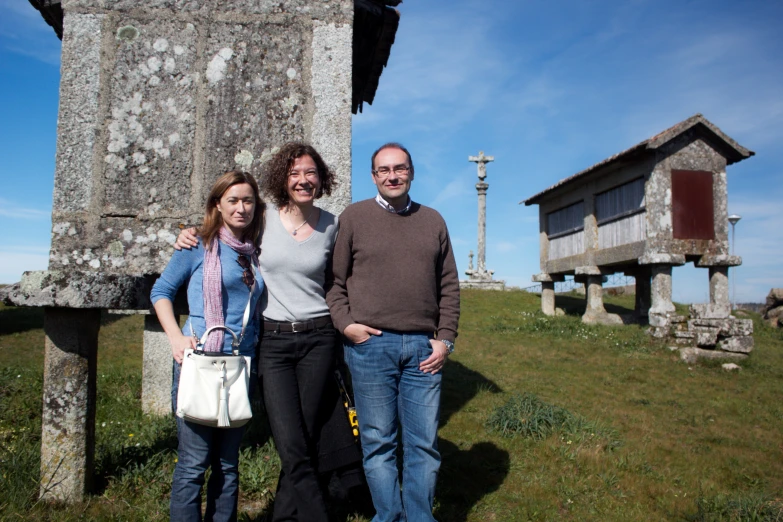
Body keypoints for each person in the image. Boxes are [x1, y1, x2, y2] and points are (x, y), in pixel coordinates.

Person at [176, 143, 349, 521]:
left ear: (321, 178)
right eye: (294, 173)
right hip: (273, 341)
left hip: (319, 338)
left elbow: (341, 281)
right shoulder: (262, 219)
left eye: (310, 173)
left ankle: (283, 517)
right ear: (282, 180)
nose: (303, 180)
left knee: (302, 437)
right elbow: (221, 231)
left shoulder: (334, 225)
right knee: (289, 438)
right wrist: (187, 233)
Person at [326, 142, 460, 522]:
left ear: (411, 173)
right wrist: (347, 325)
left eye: (399, 168)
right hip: (370, 346)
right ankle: (388, 517)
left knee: (424, 445)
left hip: (423, 349)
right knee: (378, 443)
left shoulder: (433, 220)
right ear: (373, 176)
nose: (392, 176)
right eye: (383, 170)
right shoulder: (353, 218)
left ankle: (419, 517)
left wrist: (445, 338)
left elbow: (449, 285)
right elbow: (334, 283)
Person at [151, 170, 264, 522]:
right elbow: (161, 292)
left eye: (248, 200)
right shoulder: (198, 244)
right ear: (218, 204)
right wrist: (174, 337)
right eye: (233, 200)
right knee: (193, 463)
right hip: (199, 363)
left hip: (239, 366)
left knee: (228, 464)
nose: (241, 208)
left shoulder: (257, 250)